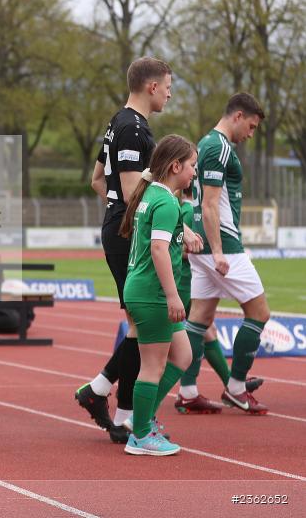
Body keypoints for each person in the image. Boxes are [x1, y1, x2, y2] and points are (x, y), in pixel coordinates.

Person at [76, 57, 191, 443]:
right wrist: (162, 221)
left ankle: (102, 392)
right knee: (143, 324)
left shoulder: (119, 122)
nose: (171, 93)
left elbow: (97, 180)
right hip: (127, 234)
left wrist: (118, 211)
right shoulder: (132, 128)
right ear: (152, 87)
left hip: (121, 227)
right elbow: (129, 195)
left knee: (137, 326)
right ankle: (125, 412)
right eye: (169, 86)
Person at [180, 93, 270, 414]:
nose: (251, 133)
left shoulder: (208, 143)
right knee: (259, 313)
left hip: (203, 245)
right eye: (251, 126)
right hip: (224, 247)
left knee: (200, 318)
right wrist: (218, 250)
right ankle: (235, 387)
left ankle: (188, 391)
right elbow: (209, 204)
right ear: (238, 115)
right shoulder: (218, 146)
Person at [120, 135, 196, 456]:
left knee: (183, 357)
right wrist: (172, 295)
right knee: (152, 367)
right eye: (192, 165)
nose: (194, 172)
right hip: (152, 294)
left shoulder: (154, 194)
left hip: (144, 289)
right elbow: (159, 248)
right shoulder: (165, 202)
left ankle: (143, 417)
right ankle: (139, 435)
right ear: (175, 165)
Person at [173, 186, 264, 414]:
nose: (193, 170)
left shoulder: (186, 208)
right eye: (190, 166)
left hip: (188, 275)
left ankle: (192, 391)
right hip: (182, 281)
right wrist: (210, 250)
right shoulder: (185, 211)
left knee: (203, 325)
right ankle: (232, 385)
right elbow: (173, 244)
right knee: (151, 343)